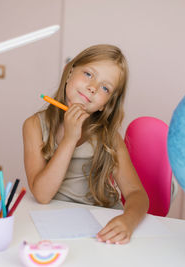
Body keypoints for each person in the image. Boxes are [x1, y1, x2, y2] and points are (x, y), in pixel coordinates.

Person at [23, 44, 149, 244]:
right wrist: (70, 139)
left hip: (100, 227)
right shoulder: (34, 126)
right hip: (52, 223)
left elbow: (137, 194)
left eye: (105, 88)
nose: (93, 87)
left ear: (106, 104)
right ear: (69, 71)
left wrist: (128, 220)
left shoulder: (109, 137)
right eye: (89, 74)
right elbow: (42, 195)